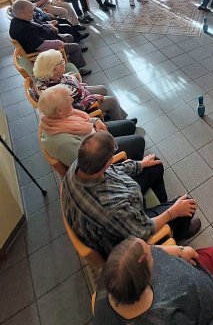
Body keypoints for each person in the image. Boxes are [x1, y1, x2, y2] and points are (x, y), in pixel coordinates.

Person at [61, 130, 201, 256]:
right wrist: (173, 212)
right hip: (129, 230)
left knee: (155, 164)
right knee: (187, 203)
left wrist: (140, 164)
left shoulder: (79, 165)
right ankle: (179, 231)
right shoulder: (111, 208)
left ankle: (164, 206)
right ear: (105, 163)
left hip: (123, 208)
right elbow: (143, 231)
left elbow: (112, 170)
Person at [38, 85, 143, 168]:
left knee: (129, 126)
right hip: (99, 153)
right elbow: (88, 166)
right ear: (60, 111)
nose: (72, 100)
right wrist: (103, 138)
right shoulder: (64, 143)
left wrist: (95, 121)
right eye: (68, 101)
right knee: (138, 141)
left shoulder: (55, 117)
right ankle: (134, 171)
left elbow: (80, 121)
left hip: (93, 133)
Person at [33, 50, 128, 120]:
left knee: (103, 89)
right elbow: (73, 108)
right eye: (61, 62)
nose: (64, 62)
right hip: (80, 108)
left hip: (80, 94)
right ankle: (122, 121)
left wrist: (75, 82)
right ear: (53, 69)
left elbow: (64, 81)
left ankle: (112, 114)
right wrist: (92, 98)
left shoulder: (48, 77)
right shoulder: (53, 92)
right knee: (112, 101)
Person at [9, 0, 91, 76]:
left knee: (69, 37)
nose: (33, 13)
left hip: (47, 39)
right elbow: (39, 45)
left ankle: (70, 58)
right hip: (43, 50)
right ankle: (78, 70)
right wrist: (57, 42)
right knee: (75, 47)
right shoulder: (24, 29)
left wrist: (49, 24)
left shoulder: (19, 20)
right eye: (30, 12)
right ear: (23, 14)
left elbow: (37, 25)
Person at [11, 0, 89, 49]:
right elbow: (37, 27)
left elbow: (37, 22)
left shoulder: (25, 12)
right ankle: (75, 43)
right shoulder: (25, 15)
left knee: (65, 22)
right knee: (66, 26)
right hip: (46, 29)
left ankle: (77, 37)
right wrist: (49, 24)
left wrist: (47, 18)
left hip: (46, 24)